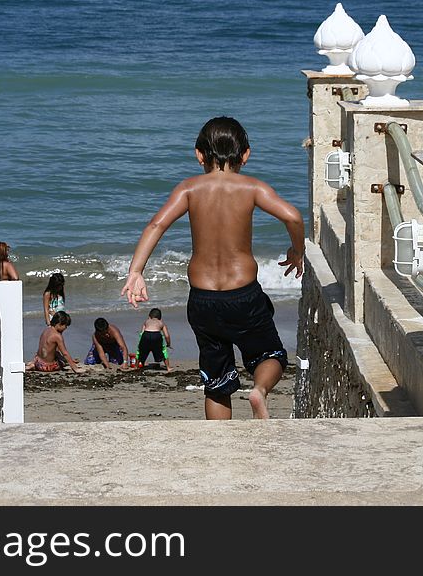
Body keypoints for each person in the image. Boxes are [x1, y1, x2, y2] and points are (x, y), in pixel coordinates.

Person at [120, 116, 304, 420]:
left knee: (217, 383)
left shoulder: (189, 189)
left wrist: (136, 271)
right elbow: (293, 217)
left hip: (204, 299)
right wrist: (297, 252)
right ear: (246, 154)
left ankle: (221, 445)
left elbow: (157, 224)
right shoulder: (252, 188)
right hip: (243, 295)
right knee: (270, 355)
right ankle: (258, 391)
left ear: (199, 154)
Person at [136, 308, 172, 372]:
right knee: (163, 351)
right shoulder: (161, 323)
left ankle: (137, 366)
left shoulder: (146, 321)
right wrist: (168, 344)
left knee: (141, 351)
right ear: (160, 317)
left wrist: (140, 343)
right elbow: (167, 335)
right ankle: (168, 367)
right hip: (156, 335)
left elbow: (141, 333)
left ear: (149, 316)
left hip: (146, 335)